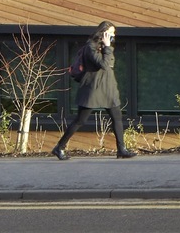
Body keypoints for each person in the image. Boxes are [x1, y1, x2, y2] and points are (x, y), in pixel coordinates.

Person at [51, 21, 136, 160]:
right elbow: (103, 64)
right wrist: (108, 47)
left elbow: (109, 65)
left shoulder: (105, 47)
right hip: (93, 88)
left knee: (117, 118)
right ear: (103, 32)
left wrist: (107, 47)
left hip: (108, 87)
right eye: (111, 33)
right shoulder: (90, 47)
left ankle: (122, 149)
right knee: (80, 120)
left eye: (114, 33)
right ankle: (59, 147)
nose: (113, 35)